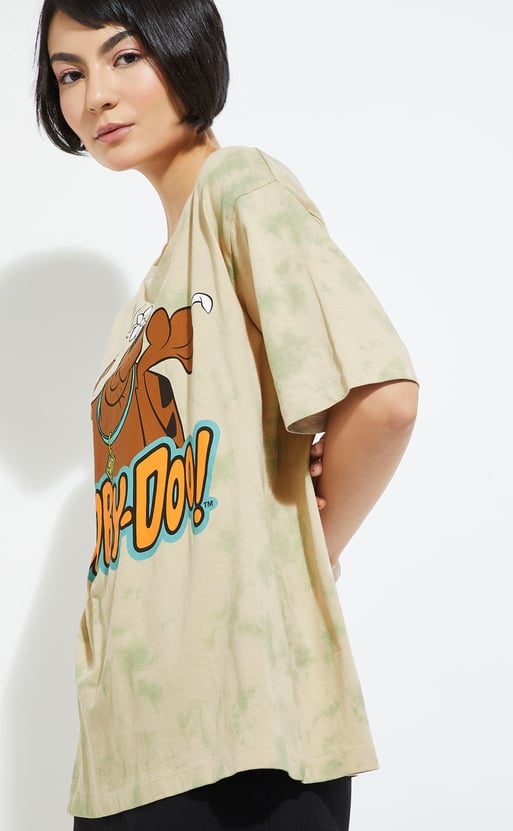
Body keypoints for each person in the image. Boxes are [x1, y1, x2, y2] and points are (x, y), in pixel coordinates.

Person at [35, 1, 419, 828]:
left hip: (250, 734)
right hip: (125, 751)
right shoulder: (141, 307)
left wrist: (312, 544)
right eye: (69, 74)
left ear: (185, 51)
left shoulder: (240, 188)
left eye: (124, 57)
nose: (95, 95)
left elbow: (382, 399)